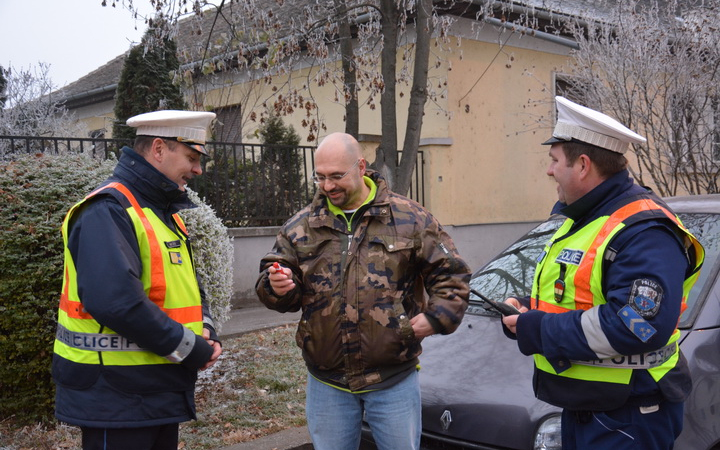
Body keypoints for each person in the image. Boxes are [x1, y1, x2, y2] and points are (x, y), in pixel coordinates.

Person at [501, 96, 705, 449]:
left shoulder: (644, 231)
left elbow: (639, 324)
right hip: (596, 407)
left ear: (582, 165)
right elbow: (579, 294)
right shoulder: (590, 219)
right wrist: (526, 312)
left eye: (554, 161)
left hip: (629, 414)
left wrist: (540, 329)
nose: (549, 171)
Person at [255, 132, 471, 450]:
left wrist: (437, 317)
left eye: (336, 176)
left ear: (360, 166)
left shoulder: (411, 219)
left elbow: (452, 275)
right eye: (321, 177)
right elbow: (275, 286)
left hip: (393, 379)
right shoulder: (300, 227)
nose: (328, 186)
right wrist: (277, 286)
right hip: (327, 382)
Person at [52, 110, 223, 450]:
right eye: (191, 157)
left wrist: (205, 326)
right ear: (159, 149)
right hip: (115, 397)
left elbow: (185, 286)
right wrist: (191, 349)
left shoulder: (160, 212)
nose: (198, 169)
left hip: (152, 393)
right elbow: (117, 303)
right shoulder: (109, 209)